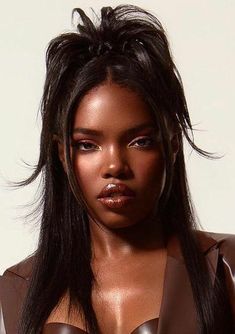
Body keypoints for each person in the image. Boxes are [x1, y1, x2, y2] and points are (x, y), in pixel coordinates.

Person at [0, 4, 234, 334]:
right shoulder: (18, 288)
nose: (115, 166)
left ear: (172, 144)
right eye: (87, 144)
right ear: (63, 155)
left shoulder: (221, 268)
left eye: (139, 141)